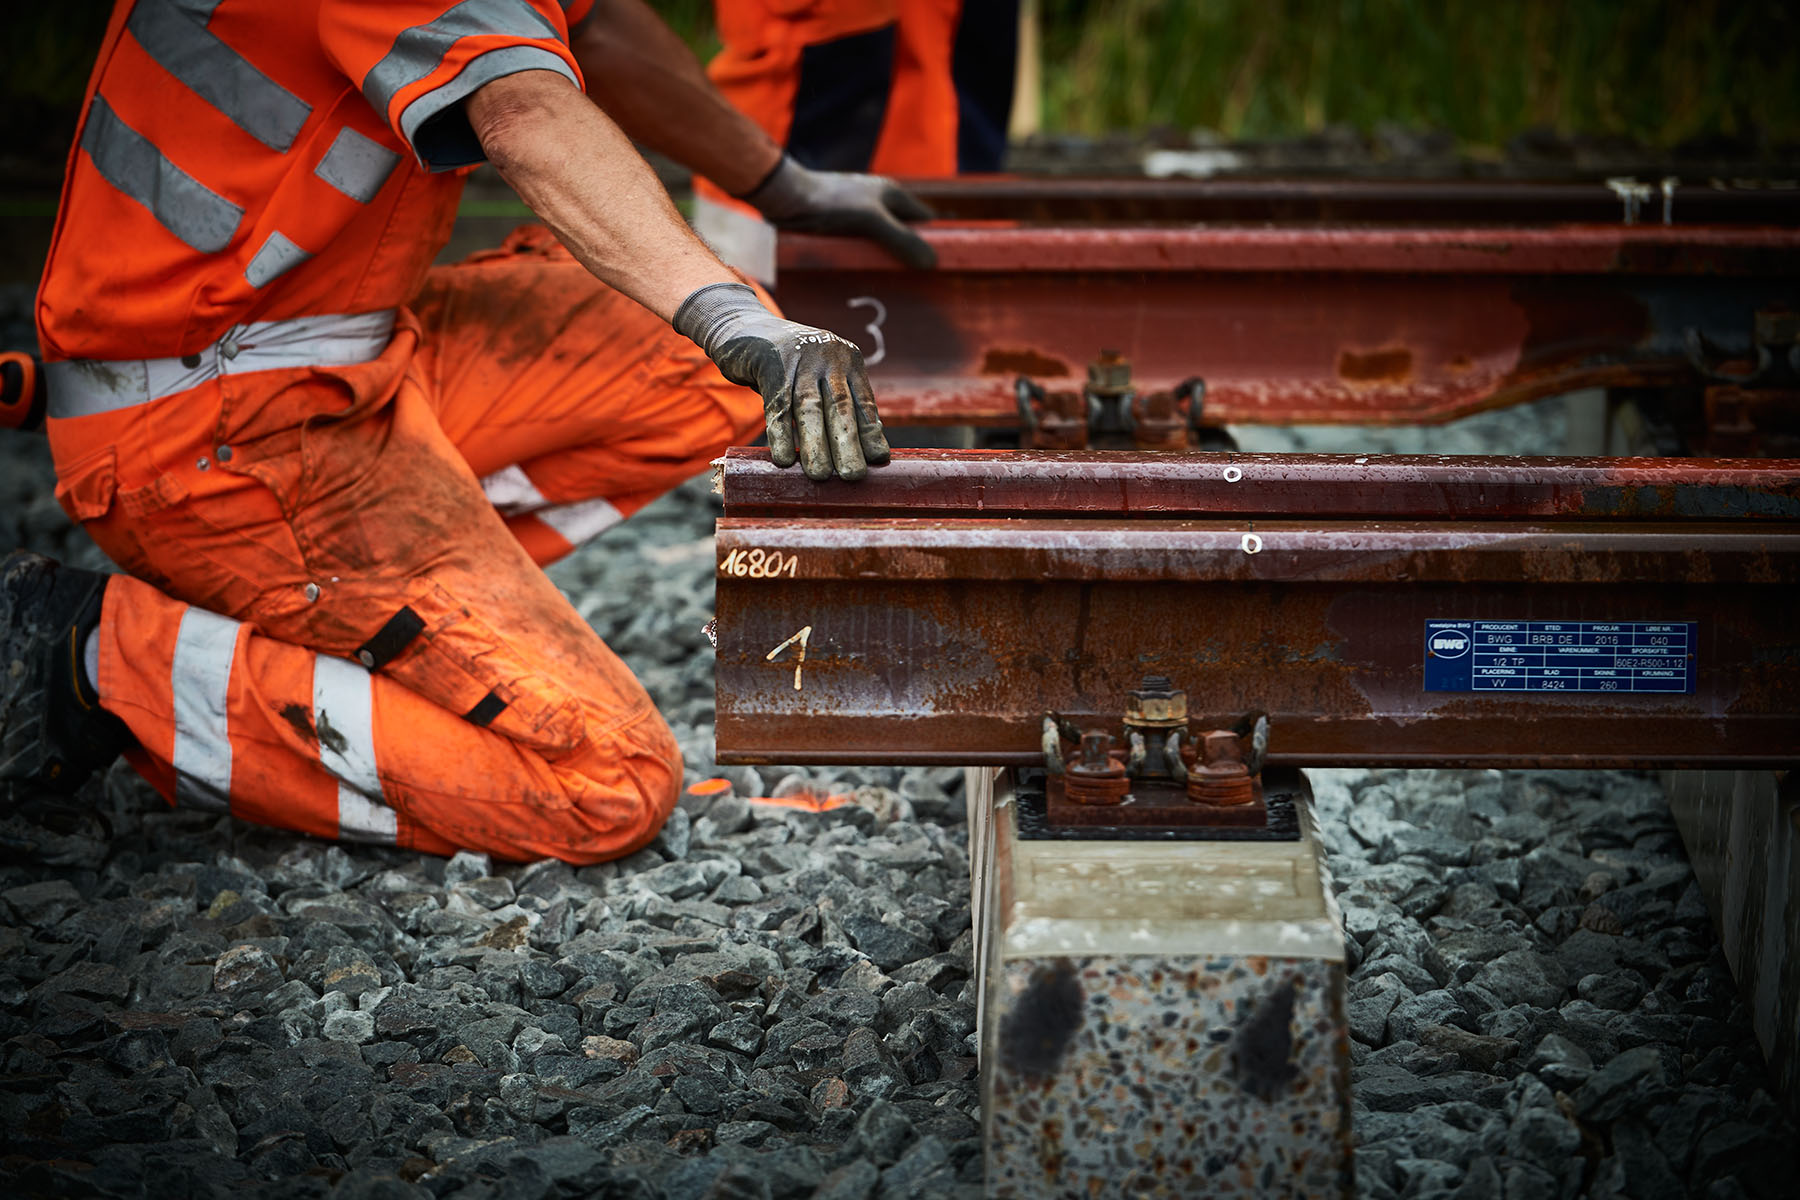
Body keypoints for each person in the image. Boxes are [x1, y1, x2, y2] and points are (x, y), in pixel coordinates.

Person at [0, 0, 933, 864]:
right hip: (211, 427)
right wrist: (736, 320)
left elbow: (592, 25)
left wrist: (785, 186)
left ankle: (353, 610)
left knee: (695, 373)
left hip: (345, 354)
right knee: (608, 784)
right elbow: (523, 112)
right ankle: (96, 658)